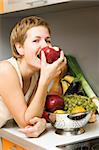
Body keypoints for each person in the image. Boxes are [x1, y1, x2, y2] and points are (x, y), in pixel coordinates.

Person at [0, 16, 66, 139]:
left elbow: (31, 117)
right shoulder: (5, 70)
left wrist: (41, 123)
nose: (45, 46)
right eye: (36, 41)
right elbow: (25, 123)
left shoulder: (36, 73)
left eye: (47, 40)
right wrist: (45, 81)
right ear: (20, 48)